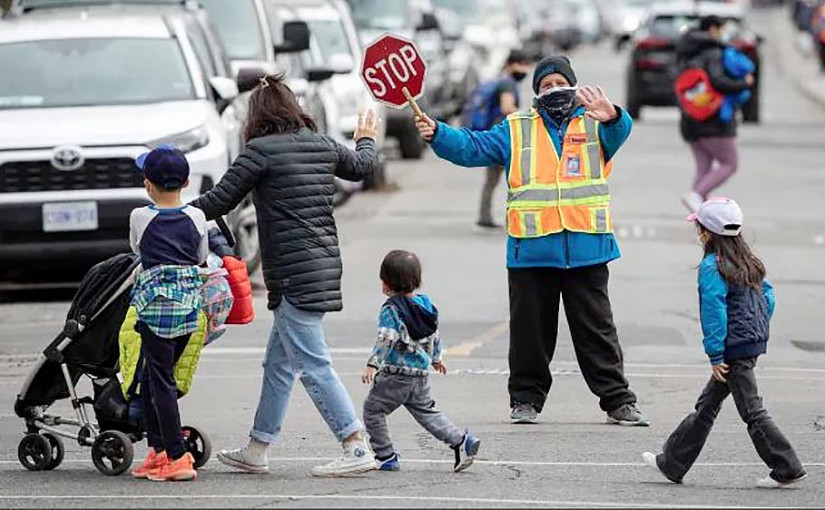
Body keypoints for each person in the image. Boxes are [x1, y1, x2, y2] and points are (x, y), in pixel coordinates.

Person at [415, 56, 648, 426]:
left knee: (597, 332)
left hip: (586, 248)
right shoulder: (517, 127)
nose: (553, 90)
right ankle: (525, 400)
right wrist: (439, 134)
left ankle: (618, 400)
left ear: (573, 84)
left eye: (560, 82)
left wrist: (615, 115)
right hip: (532, 249)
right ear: (536, 91)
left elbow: (619, 133)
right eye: (546, 85)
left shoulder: (596, 121)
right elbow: (473, 147)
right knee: (530, 335)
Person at [190, 74, 380, 477]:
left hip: (292, 274)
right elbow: (362, 166)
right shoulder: (322, 144)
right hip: (321, 266)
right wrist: (366, 137)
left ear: (256, 116)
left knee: (313, 364)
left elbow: (218, 201)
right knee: (278, 364)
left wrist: (170, 207)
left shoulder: (259, 152)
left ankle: (355, 444)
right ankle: (258, 447)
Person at [643, 197, 807, 489]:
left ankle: (787, 466)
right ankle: (672, 463)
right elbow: (767, 297)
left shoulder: (712, 265)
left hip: (733, 348)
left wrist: (716, 353)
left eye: (700, 229)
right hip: (750, 342)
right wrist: (755, 327)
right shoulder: (750, 261)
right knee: (707, 405)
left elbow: (714, 310)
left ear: (706, 233)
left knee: (752, 410)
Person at [128, 145, 208, 482]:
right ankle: (158, 450)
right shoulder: (198, 217)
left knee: (160, 381)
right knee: (152, 377)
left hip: (155, 312)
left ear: (148, 184)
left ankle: (177, 456)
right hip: (189, 310)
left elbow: (136, 249)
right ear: (186, 182)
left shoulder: (140, 216)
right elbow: (201, 255)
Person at [360, 250, 481, 473]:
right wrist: (436, 358)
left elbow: (386, 338)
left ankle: (385, 455)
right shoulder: (425, 304)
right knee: (427, 413)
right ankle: (460, 441)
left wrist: (372, 364)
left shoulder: (391, 309)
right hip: (420, 374)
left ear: (386, 283)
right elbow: (434, 333)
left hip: (396, 376)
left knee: (373, 411)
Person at [677, 15, 754, 213]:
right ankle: (696, 196)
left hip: (690, 117)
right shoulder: (713, 53)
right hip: (714, 119)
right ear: (712, 29)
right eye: (721, 29)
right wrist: (743, 83)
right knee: (730, 163)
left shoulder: (686, 52)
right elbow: (719, 82)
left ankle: (700, 212)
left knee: (704, 167)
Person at [469, 49, 532, 229]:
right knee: (516, 180)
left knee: (491, 181)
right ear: (512, 65)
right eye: (523, 65)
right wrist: (527, 117)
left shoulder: (501, 81)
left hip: (494, 137)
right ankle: (512, 220)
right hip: (505, 139)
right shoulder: (508, 85)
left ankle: (485, 216)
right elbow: (506, 107)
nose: (525, 70)